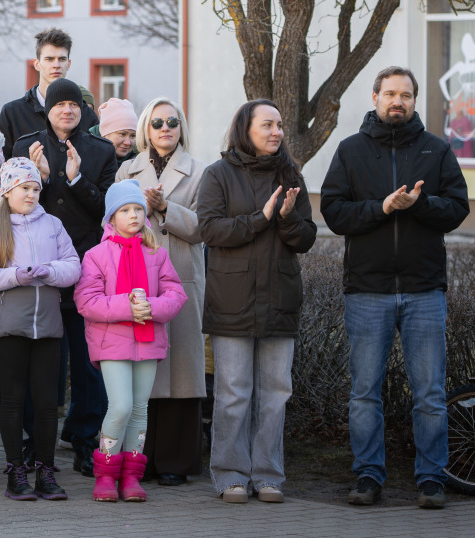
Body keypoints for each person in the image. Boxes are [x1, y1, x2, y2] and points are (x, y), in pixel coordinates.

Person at [320, 67, 469, 511]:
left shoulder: (436, 149)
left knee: (430, 394)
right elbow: (334, 213)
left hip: (424, 290)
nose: (397, 101)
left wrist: (421, 204)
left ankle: (432, 480)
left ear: (415, 101)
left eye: (405, 94)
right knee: (365, 392)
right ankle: (368, 475)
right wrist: (382, 208)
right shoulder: (350, 150)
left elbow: (458, 208)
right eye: (389, 94)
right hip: (368, 290)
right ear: (375, 97)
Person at [197, 99, 317, 504]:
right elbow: (210, 230)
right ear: (245, 129)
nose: (276, 132)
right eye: (267, 125)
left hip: (279, 299)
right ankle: (230, 475)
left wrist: (286, 218)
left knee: (275, 394)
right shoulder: (218, 174)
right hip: (231, 302)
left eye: (279, 125)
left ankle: (268, 476)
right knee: (233, 393)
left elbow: (306, 238)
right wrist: (262, 218)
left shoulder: (291, 175)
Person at [12, 77, 118, 472]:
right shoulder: (26, 147)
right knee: (40, 360)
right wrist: (40, 179)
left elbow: (106, 210)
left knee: (87, 360)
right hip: (39, 266)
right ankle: (34, 441)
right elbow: (16, 205)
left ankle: (85, 439)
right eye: (60, 104)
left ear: (83, 109)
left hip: (86, 267)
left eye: (74, 104)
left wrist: (75, 179)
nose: (67, 110)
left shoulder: (101, 150)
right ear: (48, 109)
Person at [0, 158, 81, 500]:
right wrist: (15, 275)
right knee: (13, 400)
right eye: (23, 188)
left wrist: (49, 272)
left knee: (47, 402)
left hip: (47, 327)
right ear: (7, 191)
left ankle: (46, 471)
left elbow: (73, 266)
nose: (31, 194)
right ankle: (16, 472)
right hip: (8, 328)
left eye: (35, 189)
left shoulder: (53, 225)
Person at [76, 180, 187, 502]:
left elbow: (176, 294)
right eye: (125, 210)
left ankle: (131, 476)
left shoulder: (157, 254)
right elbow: (87, 301)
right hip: (112, 343)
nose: (133, 215)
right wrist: (128, 306)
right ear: (111, 217)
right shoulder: (96, 255)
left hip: (148, 341)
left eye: (138, 208)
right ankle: (106, 474)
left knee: (139, 409)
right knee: (121, 406)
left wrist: (151, 307)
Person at [115, 98, 208, 486]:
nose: (165, 128)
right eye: (156, 123)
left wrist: (167, 208)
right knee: (143, 368)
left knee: (182, 369)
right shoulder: (127, 170)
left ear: (181, 127)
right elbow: (114, 221)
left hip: (181, 277)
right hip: (137, 277)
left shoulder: (199, 171)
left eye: (172, 121)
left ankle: (176, 462)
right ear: (146, 129)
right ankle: (143, 458)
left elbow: (204, 227)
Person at [0, 27, 89, 152]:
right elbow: (1, 160)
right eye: (49, 59)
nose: (56, 65)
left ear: (69, 64)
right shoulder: (12, 113)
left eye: (62, 59)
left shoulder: (85, 114)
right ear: (37, 64)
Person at [95, 98, 139, 163]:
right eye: (122, 134)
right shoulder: (86, 160)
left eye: (132, 136)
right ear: (105, 134)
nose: (128, 143)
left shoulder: (136, 165)